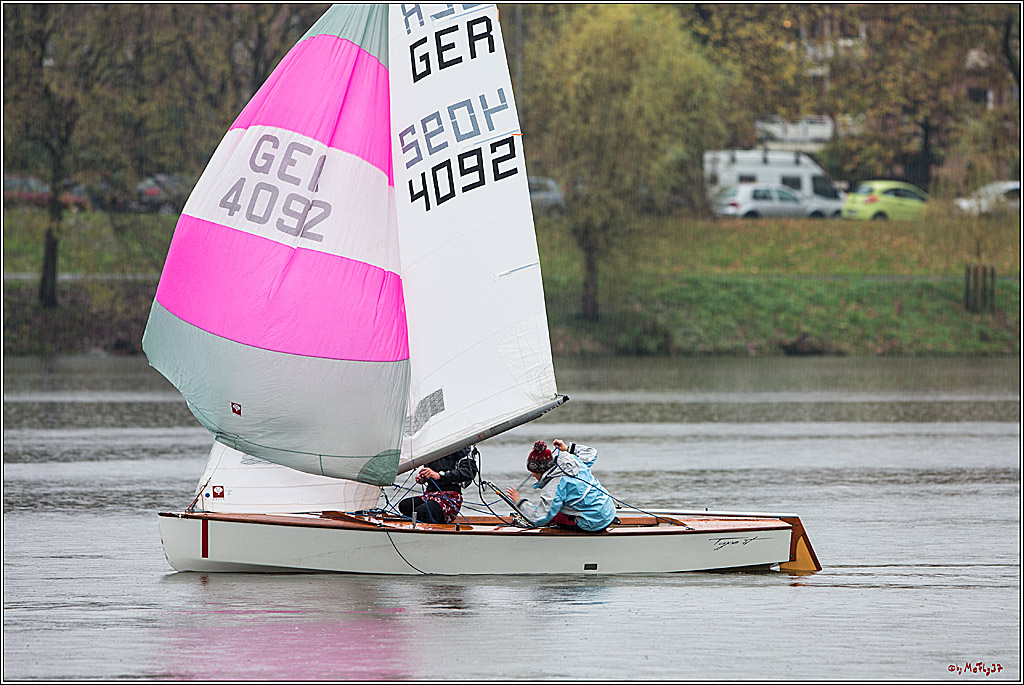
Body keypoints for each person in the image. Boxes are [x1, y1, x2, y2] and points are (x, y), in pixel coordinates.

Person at [505, 439, 617, 533]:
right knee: (554, 507)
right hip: (609, 510)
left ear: (541, 470)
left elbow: (539, 518)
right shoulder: (572, 461)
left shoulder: (553, 486)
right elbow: (591, 454)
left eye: (533, 472)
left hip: (593, 523)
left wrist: (519, 502)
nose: (533, 475)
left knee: (551, 516)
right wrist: (567, 448)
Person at [398, 446, 478, 524]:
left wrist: (440, 476)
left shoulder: (462, 447)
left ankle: (439, 530)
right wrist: (424, 477)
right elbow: (433, 474)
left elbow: (469, 472)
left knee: (422, 512)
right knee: (405, 506)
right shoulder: (431, 446)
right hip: (431, 495)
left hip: (450, 497)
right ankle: (417, 528)